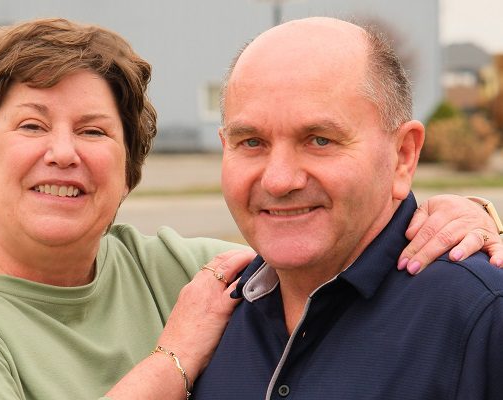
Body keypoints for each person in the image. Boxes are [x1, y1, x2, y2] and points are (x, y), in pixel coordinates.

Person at [0, 18, 500, 400]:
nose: (62, 153)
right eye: (31, 125)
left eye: (95, 132)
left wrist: (461, 217)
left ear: (128, 166)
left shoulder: (178, 268)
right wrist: (172, 360)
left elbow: (321, 244)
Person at [192, 17, 503, 399]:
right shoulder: (207, 316)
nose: (278, 180)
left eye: (319, 140)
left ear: (403, 155)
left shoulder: (482, 318)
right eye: (252, 142)